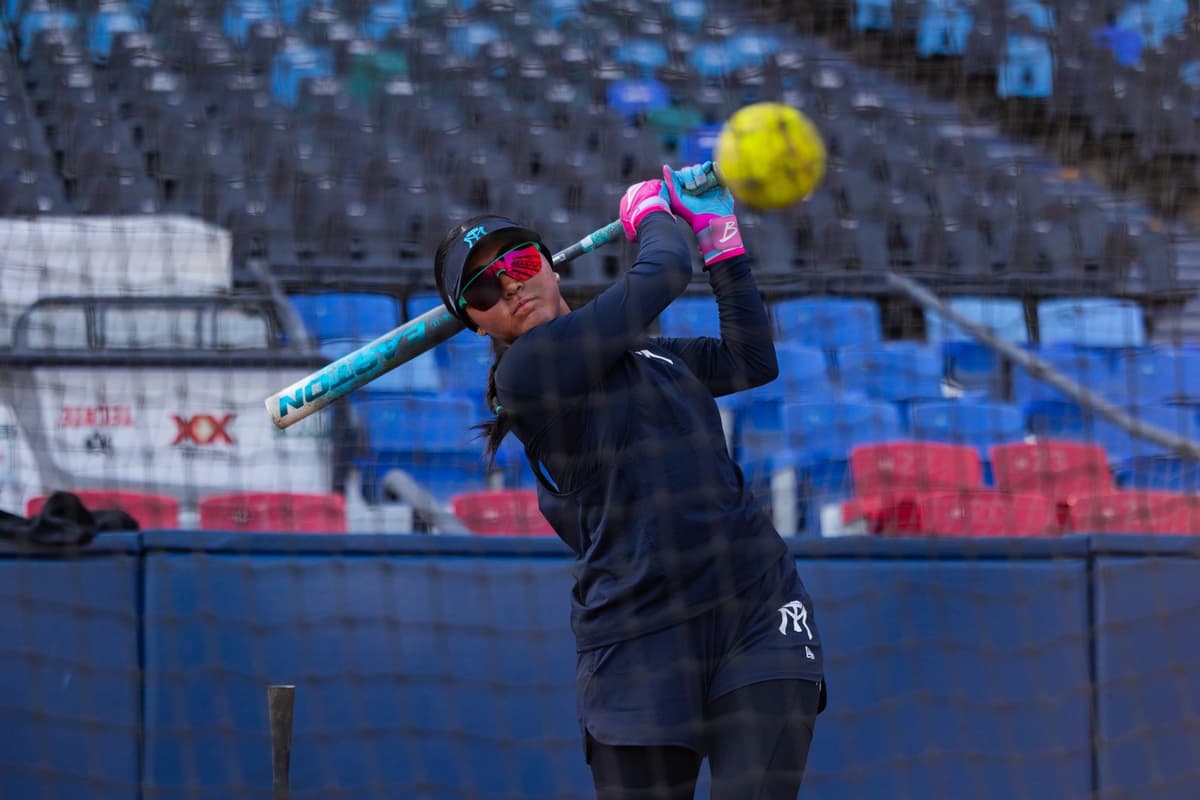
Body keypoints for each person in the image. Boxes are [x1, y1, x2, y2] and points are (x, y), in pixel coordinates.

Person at [433, 162, 826, 799]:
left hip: (753, 609)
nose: (509, 287)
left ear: (549, 266)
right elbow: (664, 271)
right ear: (476, 321)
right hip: (638, 639)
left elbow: (751, 360)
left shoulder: (652, 356)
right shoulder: (527, 373)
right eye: (483, 290)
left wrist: (723, 241)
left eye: (521, 263)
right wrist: (648, 212)